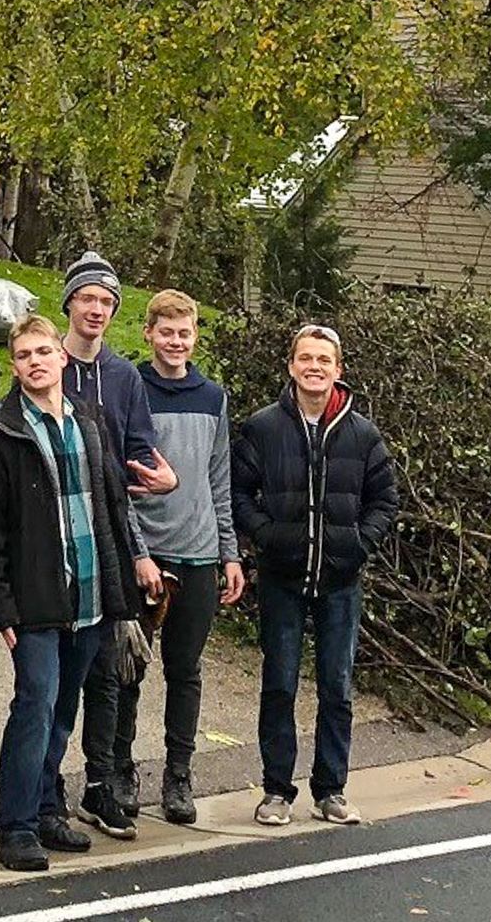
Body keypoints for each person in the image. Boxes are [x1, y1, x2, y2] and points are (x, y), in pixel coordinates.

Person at [0, 313, 142, 874]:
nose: (36, 362)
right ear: (15, 366)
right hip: (35, 602)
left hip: (89, 599)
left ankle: (46, 809)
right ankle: (14, 826)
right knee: (34, 707)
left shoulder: (89, 423)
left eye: (44, 352)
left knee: (63, 712)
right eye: (24, 355)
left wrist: (124, 588)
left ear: (63, 358)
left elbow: (113, 506)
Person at [233, 324, 399, 829]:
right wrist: (269, 537)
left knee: (337, 686)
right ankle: (276, 791)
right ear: (291, 366)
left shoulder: (363, 433)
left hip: (340, 582)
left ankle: (331, 790)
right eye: (305, 358)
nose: (314, 367)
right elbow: (239, 495)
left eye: (324, 360)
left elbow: (385, 501)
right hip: (283, 578)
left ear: (338, 370)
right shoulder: (263, 428)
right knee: (279, 684)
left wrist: (356, 544)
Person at [115, 290, 247, 827]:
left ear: (195, 337)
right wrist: (137, 552)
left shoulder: (212, 396)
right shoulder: (130, 389)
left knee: (184, 670)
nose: (175, 342)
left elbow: (220, 479)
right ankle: (120, 769)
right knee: (127, 669)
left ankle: (178, 774)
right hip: (146, 554)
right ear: (148, 334)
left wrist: (228, 552)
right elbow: (119, 481)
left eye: (185, 333)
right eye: (166, 332)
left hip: (199, 554)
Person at [59, 250, 175, 839]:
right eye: (88, 298)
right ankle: (46, 786)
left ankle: (101, 782)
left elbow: (142, 460)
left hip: (111, 536)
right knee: (53, 675)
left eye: (106, 302)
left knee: (108, 670)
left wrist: (165, 480)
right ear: (70, 304)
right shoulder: (44, 362)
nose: (97, 310)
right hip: (55, 541)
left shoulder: (125, 377)